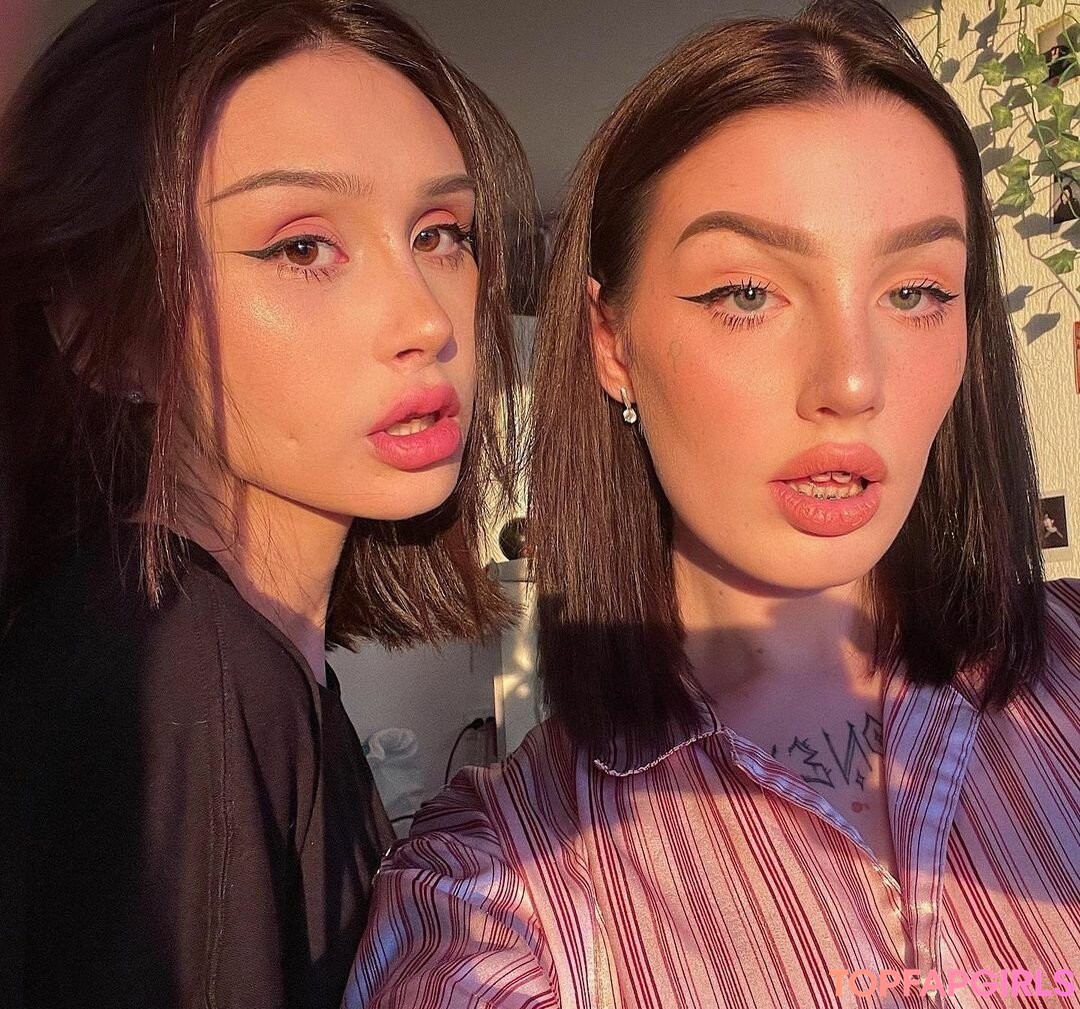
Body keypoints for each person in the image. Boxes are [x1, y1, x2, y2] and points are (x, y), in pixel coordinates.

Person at [345, 1, 1080, 1006]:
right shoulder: (495, 894)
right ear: (611, 342)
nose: (852, 381)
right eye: (746, 293)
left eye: (914, 292)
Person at [0, 0, 534, 1005]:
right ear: (103, 330)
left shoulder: (253, 664)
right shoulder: (179, 665)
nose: (426, 318)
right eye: (301, 247)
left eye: (440, 233)